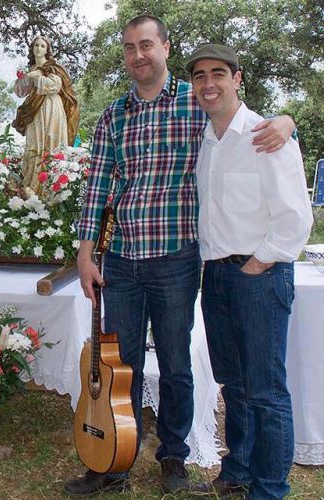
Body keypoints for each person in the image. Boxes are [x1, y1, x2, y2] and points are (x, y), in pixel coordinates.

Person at [70, 15, 296, 497]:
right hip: (124, 262)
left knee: (175, 364)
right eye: (129, 47)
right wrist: (86, 254)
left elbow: (247, 123)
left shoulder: (197, 103)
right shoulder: (113, 116)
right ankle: (116, 460)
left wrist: (287, 121)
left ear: (165, 48)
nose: (138, 55)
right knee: (121, 365)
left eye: (146, 44)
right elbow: (97, 190)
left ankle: (173, 455)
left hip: (177, 260)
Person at [188, 44, 313, 499]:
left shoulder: (266, 135)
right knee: (233, 384)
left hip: (259, 277)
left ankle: (269, 489)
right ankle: (237, 474)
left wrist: (258, 264)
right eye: (200, 76)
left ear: (237, 79)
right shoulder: (204, 139)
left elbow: (297, 217)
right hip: (216, 277)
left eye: (218, 73)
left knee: (265, 391)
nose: (209, 83)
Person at [12, 35, 80, 193]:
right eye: (36, 45)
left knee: (51, 141)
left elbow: (55, 86)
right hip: (34, 110)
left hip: (51, 106)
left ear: (47, 50)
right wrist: (25, 78)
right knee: (34, 142)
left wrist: (39, 78)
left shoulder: (53, 67)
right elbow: (20, 92)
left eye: (42, 46)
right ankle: (31, 185)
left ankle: (50, 185)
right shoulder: (31, 69)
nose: (39, 49)